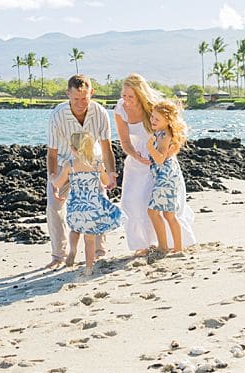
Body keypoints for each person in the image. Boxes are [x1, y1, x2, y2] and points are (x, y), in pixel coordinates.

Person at [114, 74, 196, 256]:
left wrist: (169, 152)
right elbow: (125, 141)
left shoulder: (153, 108)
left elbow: (173, 131)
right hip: (137, 161)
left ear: (140, 95)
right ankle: (142, 244)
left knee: (158, 206)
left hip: (159, 163)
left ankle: (171, 244)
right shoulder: (120, 109)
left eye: (131, 97)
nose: (126, 100)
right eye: (124, 95)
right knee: (131, 201)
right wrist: (136, 156)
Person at [46, 75, 116, 269]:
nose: (80, 103)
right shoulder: (57, 115)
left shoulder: (100, 113)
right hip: (63, 163)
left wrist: (110, 174)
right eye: (75, 98)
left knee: (100, 202)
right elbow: (51, 153)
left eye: (84, 98)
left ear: (91, 93)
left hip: (92, 163)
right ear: (68, 94)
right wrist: (53, 179)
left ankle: (99, 251)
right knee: (54, 206)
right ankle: (58, 256)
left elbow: (106, 147)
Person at [51, 132, 124, 275]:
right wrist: (110, 176)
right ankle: (89, 268)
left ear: (72, 148)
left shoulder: (69, 165)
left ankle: (72, 251)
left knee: (74, 230)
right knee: (90, 239)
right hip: (92, 207)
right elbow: (105, 182)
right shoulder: (97, 164)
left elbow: (59, 184)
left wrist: (53, 178)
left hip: (76, 206)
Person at [146, 99, 193, 255]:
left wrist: (149, 148)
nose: (152, 120)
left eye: (157, 119)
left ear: (168, 120)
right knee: (168, 214)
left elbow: (160, 159)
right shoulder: (161, 132)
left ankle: (164, 246)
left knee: (154, 212)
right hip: (166, 176)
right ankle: (177, 247)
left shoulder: (165, 135)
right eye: (152, 117)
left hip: (165, 177)